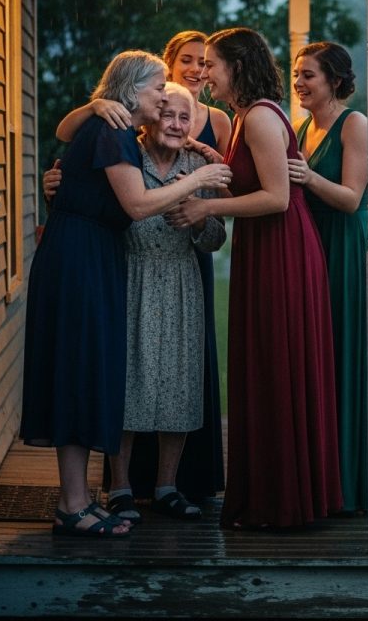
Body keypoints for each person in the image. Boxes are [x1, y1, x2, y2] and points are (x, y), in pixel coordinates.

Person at [21, 51, 230, 537]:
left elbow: (71, 140)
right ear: (132, 90)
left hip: (90, 256)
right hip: (80, 259)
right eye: (159, 87)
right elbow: (136, 205)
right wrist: (199, 180)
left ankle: (75, 500)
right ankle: (74, 503)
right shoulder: (114, 132)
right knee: (77, 374)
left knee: (81, 373)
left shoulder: (113, 131)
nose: (166, 94)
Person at [167, 27, 343, 529]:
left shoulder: (263, 116)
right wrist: (209, 160)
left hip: (282, 253)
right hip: (264, 252)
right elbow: (248, 174)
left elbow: (278, 197)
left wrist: (207, 206)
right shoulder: (246, 117)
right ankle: (270, 492)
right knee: (261, 369)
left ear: (237, 67)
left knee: (275, 366)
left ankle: (283, 501)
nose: (204, 73)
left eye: (213, 65)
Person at [106, 82, 227, 523]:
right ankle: (119, 488)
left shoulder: (200, 164)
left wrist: (197, 218)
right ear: (153, 115)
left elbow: (216, 239)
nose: (175, 125)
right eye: (168, 115)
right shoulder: (126, 156)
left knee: (179, 381)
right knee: (128, 381)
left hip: (181, 278)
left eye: (184, 118)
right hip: (130, 276)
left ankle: (166, 488)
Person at [289, 42, 368, 514]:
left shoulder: (352, 124)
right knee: (316, 362)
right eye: (296, 75)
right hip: (311, 251)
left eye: (309, 76)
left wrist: (307, 177)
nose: (298, 83)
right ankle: (319, 478)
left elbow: (351, 198)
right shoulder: (301, 127)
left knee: (342, 359)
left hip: (342, 249)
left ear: (335, 81)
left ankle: (349, 485)